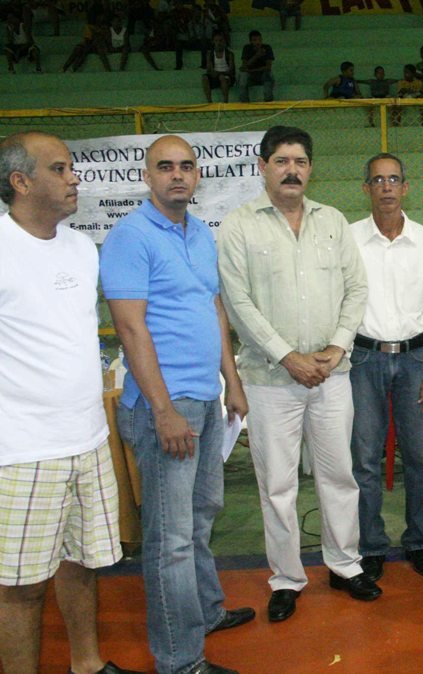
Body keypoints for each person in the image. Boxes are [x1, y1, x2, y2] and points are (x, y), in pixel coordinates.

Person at [100, 135, 252, 674]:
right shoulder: (130, 237)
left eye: (186, 166)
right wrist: (163, 410)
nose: (177, 175)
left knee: (203, 515)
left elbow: (213, 307)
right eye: (165, 167)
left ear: (197, 176)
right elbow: (129, 325)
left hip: (206, 397)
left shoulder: (199, 234)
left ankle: (205, 611)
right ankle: (180, 660)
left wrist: (230, 380)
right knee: (171, 540)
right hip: (166, 406)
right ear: (148, 176)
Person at [217, 126, 378, 623]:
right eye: (282, 160)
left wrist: (335, 347)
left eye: (301, 161)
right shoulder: (238, 227)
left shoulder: (333, 222)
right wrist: (288, 355)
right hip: (270, 380)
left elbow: (356, 290)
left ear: (311, 168)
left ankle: (345, 565)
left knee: (339, 476)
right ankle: (286, 578)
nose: (292, 170)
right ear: (262, 167)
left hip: (332, 374)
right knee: (278, 485)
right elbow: (237, 303)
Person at [0, 132, 143, 674]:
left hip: (87, 440)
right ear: (21, 182)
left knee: (82, 566)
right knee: (20, 587)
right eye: (59, 169)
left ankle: (88, 665)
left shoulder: (82, 248)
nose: (73, 177)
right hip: (21, 452)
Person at [349, 153, 423, 582]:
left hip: (416, 361)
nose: (387, 187)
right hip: (363, 359)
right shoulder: (349, 240)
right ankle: (371, 544)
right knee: (365, 459)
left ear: (406, 187)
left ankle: (418, 540)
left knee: (419, 457)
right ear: (366, 189)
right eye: (377, 180)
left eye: (394, 179)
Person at [238, 29, 274, 103]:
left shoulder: (267, 48)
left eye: (259, 40)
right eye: (255, 40)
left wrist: (251, 70)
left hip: (262, 75)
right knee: (242, 77)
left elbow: (268, 67)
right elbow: (244, 67)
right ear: (251, 41)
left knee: (268, 75)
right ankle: (244, 103)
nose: (258, 42)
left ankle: (268, 102)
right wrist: (256, 56)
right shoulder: (247, 48)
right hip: (250, 77)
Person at [201, 30, 234, 103]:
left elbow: (231, 70)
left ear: (224, 41)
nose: (218, 43)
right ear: (213, 42)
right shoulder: (210, 54)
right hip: (215, 76)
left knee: (222, 77)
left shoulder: (229, 54)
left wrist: (221, 74)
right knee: (204, 78)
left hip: (227, 77)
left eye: (220, 40)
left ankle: (225, 101)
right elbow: (209, 70)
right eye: (216, 41)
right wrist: (216, 74)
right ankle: (209, 101)